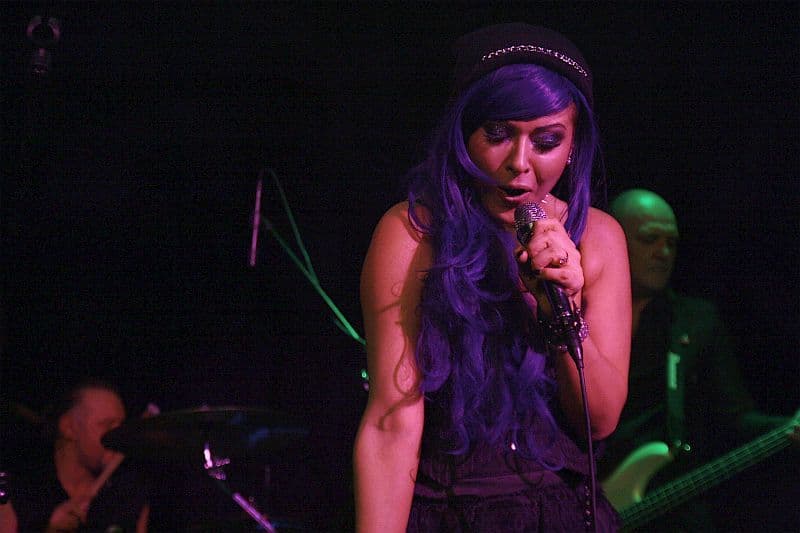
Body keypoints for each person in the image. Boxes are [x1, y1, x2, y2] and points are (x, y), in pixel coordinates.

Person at [353, 23, 631, 532]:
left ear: (573, 145)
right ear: (464, 134)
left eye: (546, 141)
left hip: (561, 513)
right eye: (498, 135)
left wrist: (561, 308)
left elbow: (602, 419)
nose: (519, 164)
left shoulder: (598, 237)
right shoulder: (413, 233)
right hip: (450, 509)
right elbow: (392, 422)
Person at [603, 188, 799, 531]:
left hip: (666, 504)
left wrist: (785, 428)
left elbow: (734, 418)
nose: (663, 252)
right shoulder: (577, 315)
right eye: (650, 239)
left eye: (671, 243)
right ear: (612, 241)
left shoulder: (694, 322)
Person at [0, 379, 149, 532]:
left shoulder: (129, 494)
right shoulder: (17, 489)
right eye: (107, 425)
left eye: (120, 426)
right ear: (68, 427)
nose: (118, 435)